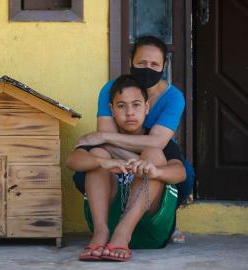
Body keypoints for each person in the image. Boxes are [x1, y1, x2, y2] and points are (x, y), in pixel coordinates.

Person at [76, 35, 195, 244]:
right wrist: (131, 161)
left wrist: (103, 136)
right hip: (123, 158)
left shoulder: (173, 98)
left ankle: (163, 217)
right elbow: (106, 147)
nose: (147, 68)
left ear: (164, 66)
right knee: (85, 170)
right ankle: (104, 224)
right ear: (131, 61)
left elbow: (156, 142)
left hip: (157, 154)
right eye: (141, 63)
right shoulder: (113, 90)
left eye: (154, 64)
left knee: (185, 175)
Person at [66, 75, 186, 262]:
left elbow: (180, 173)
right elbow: (72, 160)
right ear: (112, 110)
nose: (130, 112)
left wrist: (156, 172)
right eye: (121, 106)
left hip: (151, 227)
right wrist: (103, 162)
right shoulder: (102, 140)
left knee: (153, 155)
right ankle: (100, 232)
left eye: (136, 105)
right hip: (108, 225)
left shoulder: (162, 143)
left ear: (146, 108)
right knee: (97, 155)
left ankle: (124, 232)